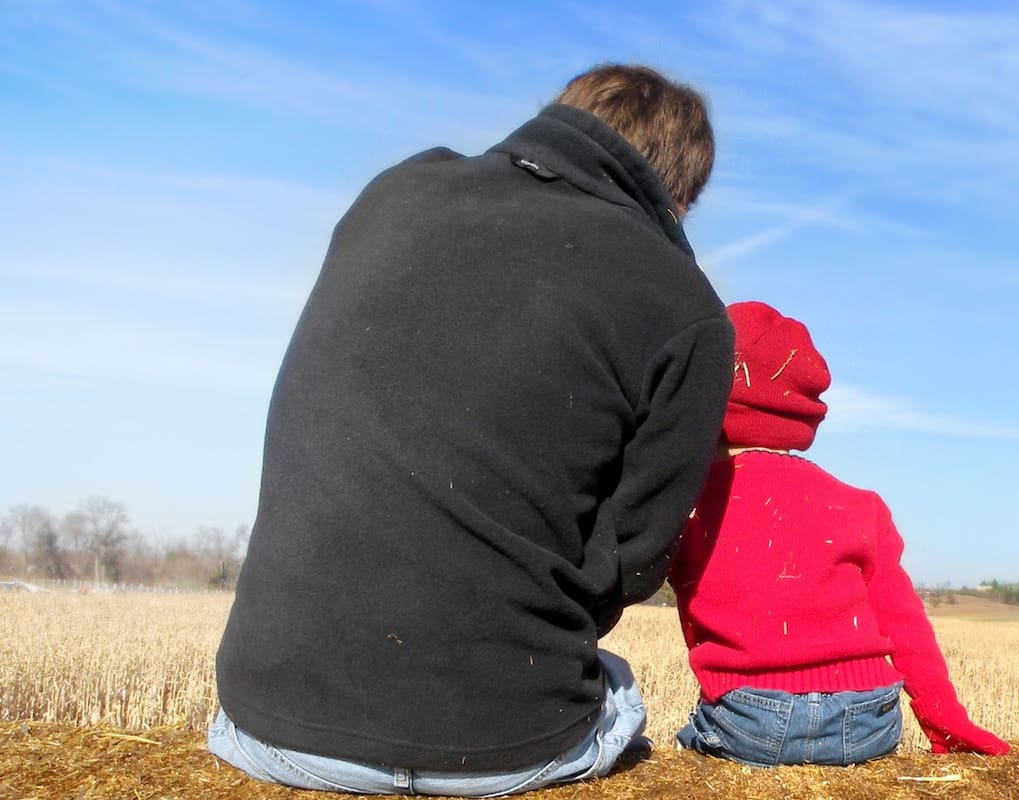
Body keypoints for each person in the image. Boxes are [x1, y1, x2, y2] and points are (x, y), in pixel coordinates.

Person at [208, 64, 734, 796]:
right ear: (678, 196)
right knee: (618, 689)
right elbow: (633, 561)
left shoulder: (395, 191)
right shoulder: (688, 308)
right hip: (497, 746)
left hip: (262, 725)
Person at [669, 301, 1010, 767]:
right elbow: (904, 622)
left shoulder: (689, 505)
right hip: (872, 716)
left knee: (675, 747)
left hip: (753, 717)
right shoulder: (860, 506)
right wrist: (944, 717)